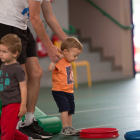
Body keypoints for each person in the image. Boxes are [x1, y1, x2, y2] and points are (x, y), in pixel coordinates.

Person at [0, 0, 67, 139]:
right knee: (18, 77)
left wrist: (68, 42)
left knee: (36, 73)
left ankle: (28, 122)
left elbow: (49, 16)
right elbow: (35, 18)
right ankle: (16, 126)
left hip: (21, 27)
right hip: (7, 25)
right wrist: (49, 46)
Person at [48, 37, 83, 135]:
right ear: (65, 51)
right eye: (75, 55)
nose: (76, 58)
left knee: (70, 111)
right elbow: (50, 68)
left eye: (77, 56)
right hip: (59, 91)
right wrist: (54, 60)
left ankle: (70, 128)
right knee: (65, 108)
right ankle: (65, 127)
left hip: (69, 91)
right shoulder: (60, 60)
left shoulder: (69, 61)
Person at [0, 34, 31, 140]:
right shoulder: (3, 65)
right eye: (0, 51)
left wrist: (23, 105)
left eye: (4, 52)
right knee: (6, 127)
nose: (1, 54)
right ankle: (24, 139)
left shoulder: (18, 69)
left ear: (15, 53)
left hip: (14, 103)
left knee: (6, 133)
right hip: (5, 103)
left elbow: (23, 87)